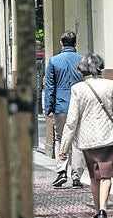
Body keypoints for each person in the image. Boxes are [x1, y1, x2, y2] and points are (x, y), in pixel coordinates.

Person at [60, 54, 113, 218]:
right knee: (106, 175)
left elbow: (71, 121)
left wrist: (64, 148)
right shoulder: (110, 85)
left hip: (87, 139)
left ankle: (97, 210)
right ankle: (103, 210)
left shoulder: (77, 89)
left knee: (94, 176)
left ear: (83, 70)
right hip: (108, 136)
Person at [44, 30, 85, 188]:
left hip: (61, 105)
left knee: (60, 138)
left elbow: (50, 87)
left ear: (61, 43)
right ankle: (76, 176)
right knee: (77, 140)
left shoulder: (54, 61)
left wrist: (49, 108)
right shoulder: (82, 60)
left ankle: (61, 171)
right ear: (75, 44)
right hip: (79, 104)